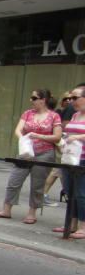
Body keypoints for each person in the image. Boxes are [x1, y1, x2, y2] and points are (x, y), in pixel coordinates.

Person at [0, 89, 61, 224]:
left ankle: (32, 213)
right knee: (14, 180)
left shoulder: (54, 116)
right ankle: (6, 209)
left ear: (43, 100)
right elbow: (18, 129)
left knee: (37, 184)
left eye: (34, 98)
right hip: (26, 152)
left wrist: (38, 136)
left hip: (44, 153)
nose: (31, 101)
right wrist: (23, 138)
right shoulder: (27, 113)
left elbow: (57, 137)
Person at [52, 85, 85, 239]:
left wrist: (78, 137)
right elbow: (68, 133)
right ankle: (71, 223)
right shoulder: (75, 115)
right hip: (70, 157)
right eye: (70, 98)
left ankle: (83, 226)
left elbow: (77, 135)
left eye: (75, 97)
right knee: (69, 191)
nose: (71, 101)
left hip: (83, 160)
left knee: (81, 193)